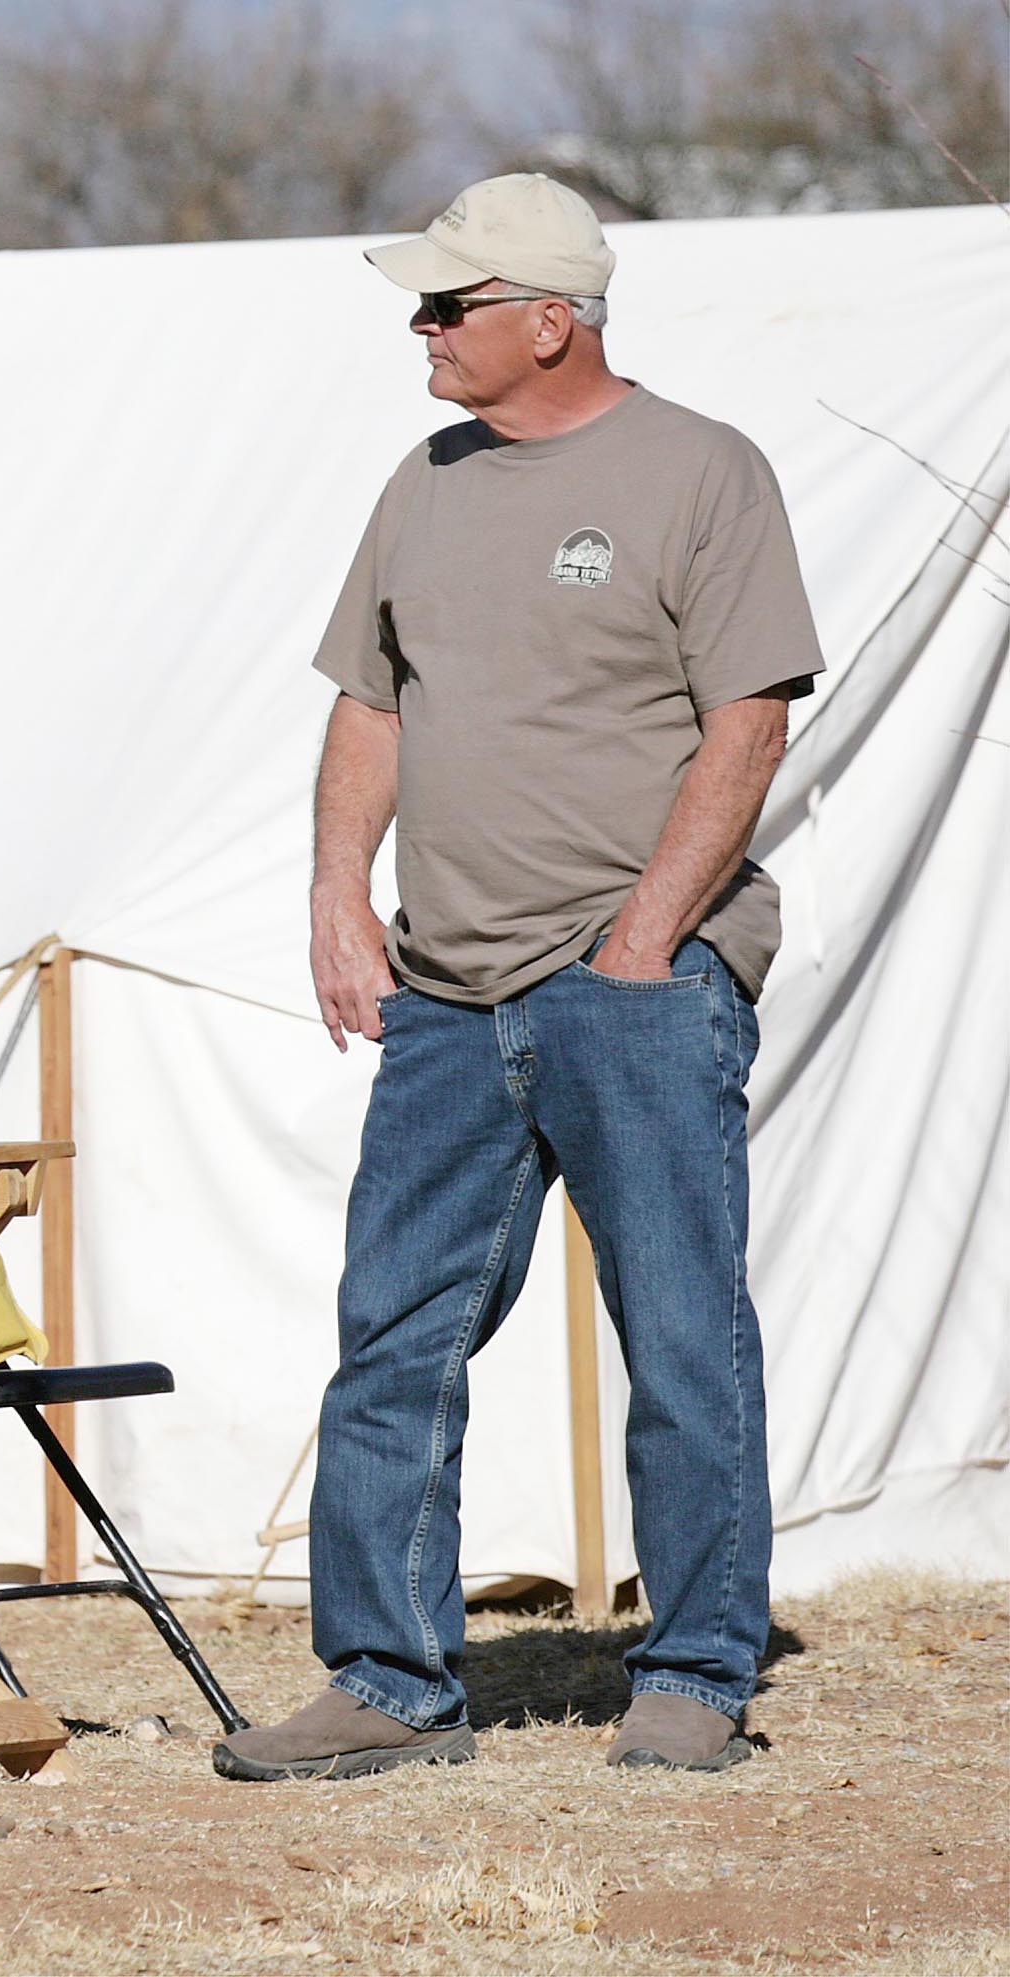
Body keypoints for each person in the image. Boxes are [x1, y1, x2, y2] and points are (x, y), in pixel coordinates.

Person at [214, 175, 821, 1784]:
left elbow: (748, 725)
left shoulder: (704, 472)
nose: (420, 325)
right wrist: (341, 898)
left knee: (682, 1330)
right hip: (447, 993)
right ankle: (391, 1686)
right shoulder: (422, 484)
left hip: (638, 984)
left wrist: (640, 945)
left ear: (549, 317)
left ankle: (694, 1671)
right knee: (391, 1330)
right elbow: (371, 708)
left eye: (448, 302)